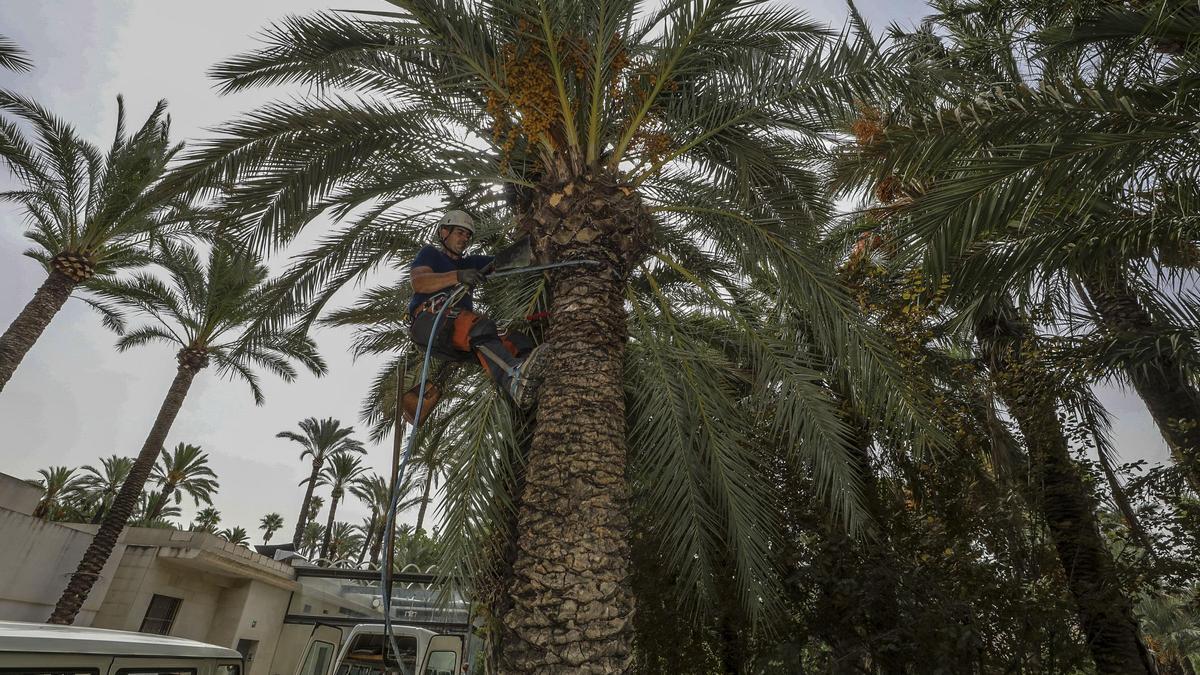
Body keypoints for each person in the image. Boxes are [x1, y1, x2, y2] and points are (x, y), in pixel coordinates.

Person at [406, 210, 546, 416]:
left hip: (456, 331)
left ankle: (532, 377)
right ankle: (514, 379)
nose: (465, 239)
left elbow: (505, 261)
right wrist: (458, 276)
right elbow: (420, 282)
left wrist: (541, 245)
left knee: (515, 341)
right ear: (444, 232)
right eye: (460, 233)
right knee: (479, 327)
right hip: (429, 322)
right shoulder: (431, 254)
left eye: (468, 235)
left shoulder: (470, 263)